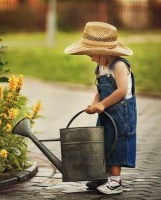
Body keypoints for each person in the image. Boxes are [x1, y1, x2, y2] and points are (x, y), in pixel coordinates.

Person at [64, 21, 137, 195]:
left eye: (90, 54)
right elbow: (99, 90)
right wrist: (95, 103)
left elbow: (122, 91)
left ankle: (115, 181)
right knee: (102, 142)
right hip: (106, 111)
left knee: (116, 142)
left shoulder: (118, 65)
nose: (89, 58)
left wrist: (102, 104)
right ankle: (102, 176)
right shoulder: (100, 67)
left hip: (121, 112)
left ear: (103, 51)